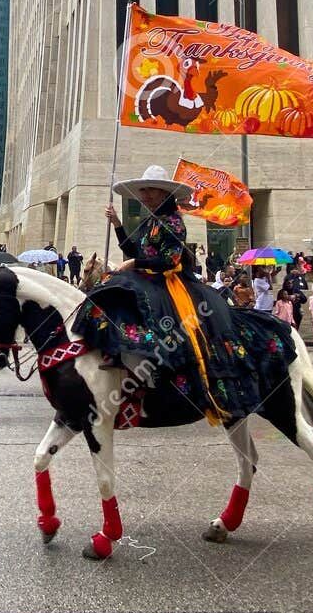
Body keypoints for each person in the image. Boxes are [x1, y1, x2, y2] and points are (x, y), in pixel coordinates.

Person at [76, 165, 289, 425]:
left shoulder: (173, 222)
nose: (144, 196)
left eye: (150, 191)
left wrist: (133, 265)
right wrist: (118, 224)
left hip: (170, 280)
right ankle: (115, 352)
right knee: (108, 293)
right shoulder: (149, 222)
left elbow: (168, 260)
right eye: (142, 191)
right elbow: (133, 248)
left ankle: (158, 367)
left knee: (150, 310)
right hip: (146, 276)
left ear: (164, 193)